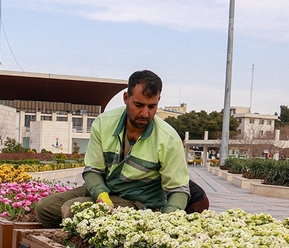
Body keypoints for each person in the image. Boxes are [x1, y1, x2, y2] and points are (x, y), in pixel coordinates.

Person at [35, 70, 191, 228]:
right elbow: (93, 170)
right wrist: (101, 195)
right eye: (139, 105)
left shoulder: (168, 138)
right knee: (45, 208)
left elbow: (179, 189)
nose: (145, 113)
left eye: (152, 106)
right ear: (126, 98)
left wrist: (165, 221)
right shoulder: (103, 123)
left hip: (139, 203)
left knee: (72, 210)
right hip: (106, 190)